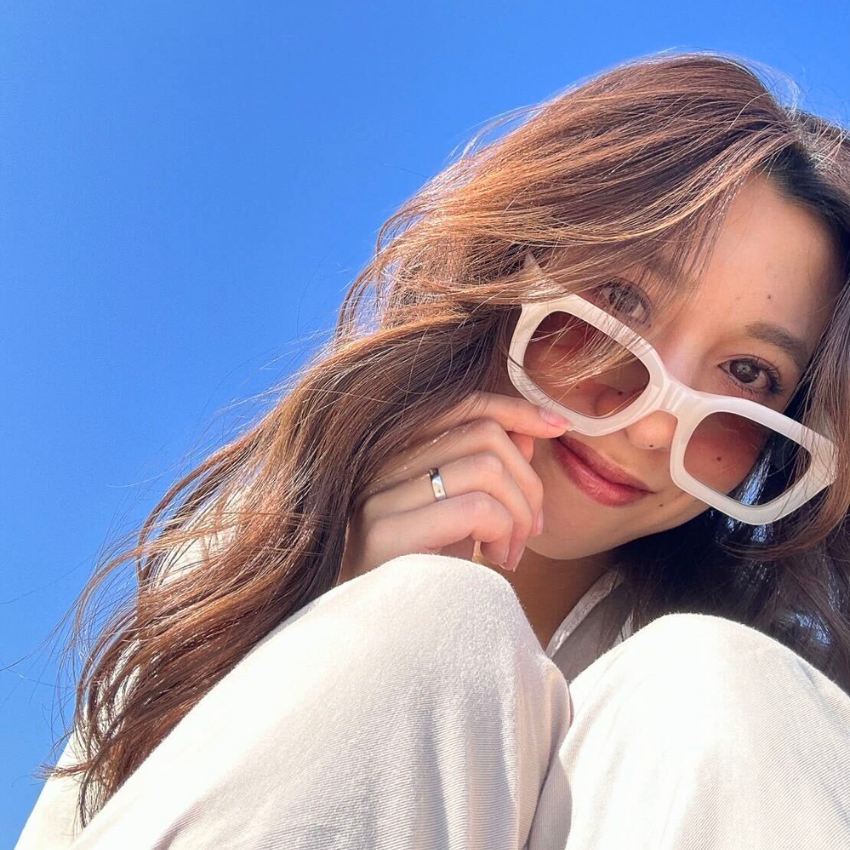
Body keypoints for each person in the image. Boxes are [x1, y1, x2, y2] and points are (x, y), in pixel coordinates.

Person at [14, 50, 850, 849]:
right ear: (513, 270)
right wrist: (342, 618)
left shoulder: (778, 692)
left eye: (749, 373)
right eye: (617, 300)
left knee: (725, 687)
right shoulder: (255, 555)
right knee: (441, 621)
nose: (652, 423)